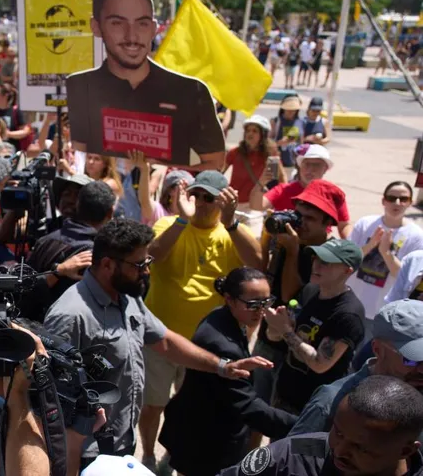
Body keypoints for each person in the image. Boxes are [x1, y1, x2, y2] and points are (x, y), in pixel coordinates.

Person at [43, 218, 271, 464]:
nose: (146, 271)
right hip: (88, 455)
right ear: (108, 264)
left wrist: (222, 367)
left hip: (121, 443)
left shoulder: (127, 298)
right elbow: (53, 401)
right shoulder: (70, 315)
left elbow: (165, 341)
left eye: (147, 262)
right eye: (139, 264)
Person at [139, 171, 262, 466]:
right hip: (161, 338)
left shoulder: (231, 232)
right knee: (152, 404)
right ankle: (146, 454)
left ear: (223, 201)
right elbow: (150, 256)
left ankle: (173, 453)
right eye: (195, 196)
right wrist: (182, 220)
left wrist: (232, 223)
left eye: (209, 198)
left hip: (204, 346)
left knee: (188, 407)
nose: (201, 203)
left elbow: (258, 263)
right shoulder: (169, 223)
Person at [66, 0, 226, 171]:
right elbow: (80, 155)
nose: (132, 36)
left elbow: (215, 164)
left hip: (162, 199)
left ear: (153, 28)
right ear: (96, 27)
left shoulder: (191, 91)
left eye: (141, 24)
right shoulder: (80, 86)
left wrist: (157, 171)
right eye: (117, 23)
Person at [159, 267, 297, 476]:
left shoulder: (221, 316)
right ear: (230, 299)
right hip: (204, 445)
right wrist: (304, 424)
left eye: (266, 302)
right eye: (253, 305)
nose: (261, 311)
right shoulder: (222, 345)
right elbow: (249, 407)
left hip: (197, 429)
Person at [222, 375, 423, 476]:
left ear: (405, 450)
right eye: (338, 432)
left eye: (360, 447)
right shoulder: (290, 457)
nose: (340, 450)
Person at [290, 299, 423, 439]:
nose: (422, 369)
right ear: (377, 349)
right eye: (413, 359)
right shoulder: (331, 403)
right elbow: (296, 457)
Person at [263, 238, 366, 414]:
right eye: (315, 259)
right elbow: (276, 337)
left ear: (347, 270)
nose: (316, 265)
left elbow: (320, 364)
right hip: (285, 393)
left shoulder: (348, 314)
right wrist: (276, 327)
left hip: (313, 407)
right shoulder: (310, 291)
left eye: (325, 262)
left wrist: (285, 330)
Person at [26, 181, 115, 316]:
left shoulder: (44, 240)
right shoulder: (95, 255)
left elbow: (25, 285)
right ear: (110, 212)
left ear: (78, 205)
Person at [348, 182, 423, 323]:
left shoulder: (417, 236)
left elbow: (408, 280)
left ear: (410, 203)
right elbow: (346, 260)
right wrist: (369, 246)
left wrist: (386, 253)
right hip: (351, 304)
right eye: (391, 198)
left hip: (382, 313)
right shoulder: (365, 223)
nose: (397, 202)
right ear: (383, 200)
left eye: (403, 199)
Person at [260, 144, 351, 237]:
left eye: (316, 165)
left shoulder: (332, 193)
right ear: (300, 166)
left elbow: (344, 225)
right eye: (307, 164)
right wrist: (261, 182)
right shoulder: (283, 189)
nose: (310, 169)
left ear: (325, 168)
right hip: (283, 244)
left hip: (318, 247)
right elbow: (257, 206)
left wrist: (351, 247)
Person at [224, 114, 287, 208]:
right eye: (248, 130)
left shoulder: (269, 154)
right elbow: (219, 172)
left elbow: (281, 178)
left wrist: (281, 199)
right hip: (233, 203)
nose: (250, 134)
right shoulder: (235, 152)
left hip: (255, 206)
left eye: (255, 131)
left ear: (263, 135)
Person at [269, 95, 304, 167]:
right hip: (275, 162)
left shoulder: (300, 122)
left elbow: (301, 143)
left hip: (293, 163)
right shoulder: (275, 121)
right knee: (273, 178)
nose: (291, 111)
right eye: (288, 109)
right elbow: (268, 142)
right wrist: (280, 143)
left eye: (293, 109)